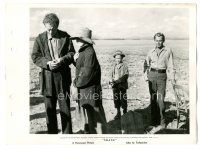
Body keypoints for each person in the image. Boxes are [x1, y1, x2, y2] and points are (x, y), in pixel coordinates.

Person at [31, 13, 75, 134]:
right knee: (50, 111)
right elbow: (35, 56)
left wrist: (62, 60)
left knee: (65, 109)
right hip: (47, 79)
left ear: (57, 26)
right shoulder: (40, 38)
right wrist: (47, 63)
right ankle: (52, 137)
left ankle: (67, 137)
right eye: (47, 28)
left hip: (63, 79)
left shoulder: (65, 37)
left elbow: (72, 54)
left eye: (52, 28)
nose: (49, 31)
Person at [71, 28, 107, 134]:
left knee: (96, 117)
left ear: (84, 40)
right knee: (91, 116)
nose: (76, 41)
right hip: (86, 89)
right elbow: (82, 67)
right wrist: (74, 60)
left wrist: (76, 83)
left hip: (90, 90)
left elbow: (87, 73)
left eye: (78, 39)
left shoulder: (89, 52)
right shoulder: (84, 51)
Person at [144, 32, 175, 128]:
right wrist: (146, 75)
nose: (158, 42)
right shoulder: (150, 51)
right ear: (154, 41)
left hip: (162, 76)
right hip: (152, 76)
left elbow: (171, 66)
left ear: (163, 40)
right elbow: (146, 64)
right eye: (157, 41)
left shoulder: (168, 51)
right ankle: (154, 121)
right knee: (153, 99)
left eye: (160, 40)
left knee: (161, 100)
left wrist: (173, 78)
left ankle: (162, 121)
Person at [109, 50, 129, 120]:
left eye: (119, 58)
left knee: (123, 99)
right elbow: (111, 75)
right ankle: (118, 112)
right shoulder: (113, 66)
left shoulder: (125, 66)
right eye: (116, 58)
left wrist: (118, 81)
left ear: (122, 58)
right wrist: (111, 81)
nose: (118, 60)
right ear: (114, 59)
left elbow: (125, 76)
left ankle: (125, 112)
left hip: (122, 86)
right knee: (116, 99)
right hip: (115, 86)